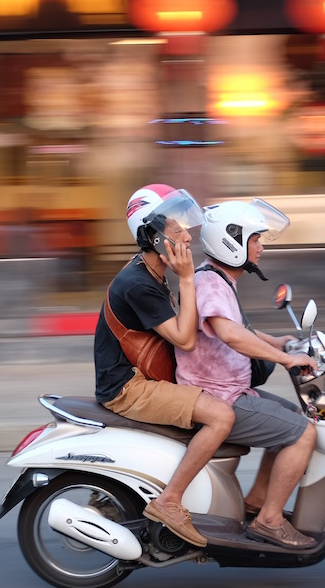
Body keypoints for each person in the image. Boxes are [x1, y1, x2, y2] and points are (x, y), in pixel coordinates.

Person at [94, 184, 235, 548]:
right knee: (221, 417)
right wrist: (187, 279)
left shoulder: (152, 271)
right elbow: (184, 339)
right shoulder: (139, 283)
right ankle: (169, 500)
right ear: (154, 237)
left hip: (141, 376)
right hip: (128, 386)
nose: (187, 235)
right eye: (176, 230)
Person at [175, 198, 320, 550]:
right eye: (255, 239)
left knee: (291, 417)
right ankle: (270, 521)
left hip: (230, 389)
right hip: (218, 395)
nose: (260, 247)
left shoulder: (219, 280)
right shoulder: (210, 282)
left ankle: (256, 505)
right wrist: (285, 360)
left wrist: (282, 342)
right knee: (304, 433)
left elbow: (240, 330)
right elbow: (230, 334)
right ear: (232, 240)